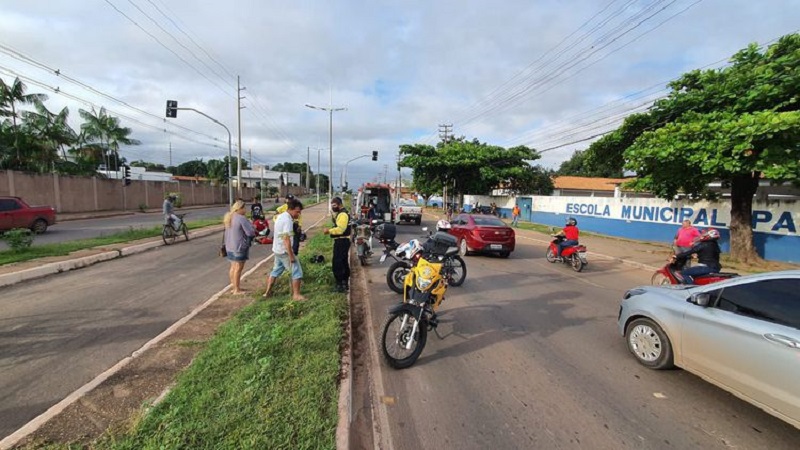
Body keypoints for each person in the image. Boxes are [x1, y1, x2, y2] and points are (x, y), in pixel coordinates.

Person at [263, 198, 306, 301]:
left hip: (277, 250)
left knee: (275, 271)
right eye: (297, 212)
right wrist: (291, 256)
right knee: (297, 272)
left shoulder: (281, 216)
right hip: (284, 251)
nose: (298, 214)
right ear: (290, 209)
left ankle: (267, 292)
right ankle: (296, 295)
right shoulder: (287, 221)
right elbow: (286, 239)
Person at [223, 200, 255, 295]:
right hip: (239, 246)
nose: (246, 210)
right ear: (240, 208)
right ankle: (237, 290)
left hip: (229, 246)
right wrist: (252, 226)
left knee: (233, 267)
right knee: (238, 268)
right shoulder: (241, 218)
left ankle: (234, 287)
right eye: (244, 208)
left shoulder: (229, 217)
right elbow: (250, 232)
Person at [323, 197, 351, 293]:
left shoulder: (343, 214)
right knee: (343, 262)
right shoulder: (341, 213)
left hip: (341, 241)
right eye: (332, 206)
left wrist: (329, 231)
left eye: (334, 205)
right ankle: (344, 283)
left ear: (340, 204)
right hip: (343, 241)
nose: (333, 207)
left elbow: (340, 229)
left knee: (337, 263)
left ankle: (340, 285)